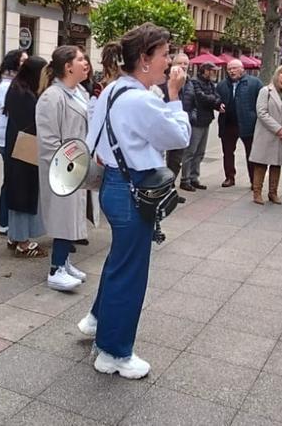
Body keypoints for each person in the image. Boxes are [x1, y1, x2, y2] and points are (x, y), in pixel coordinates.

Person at [78, 23, 189, 380]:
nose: (169, 61)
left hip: (115, 184)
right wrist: (174, 95)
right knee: (131, 271)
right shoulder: (141, 99)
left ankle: (98, 319)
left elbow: (92, 141)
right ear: (144, 59)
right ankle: (113, 353)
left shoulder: (111, 90)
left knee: (120, 260)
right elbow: (179, 135)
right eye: (164, 54)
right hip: (134, 189)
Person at [36, 45, 91, 291]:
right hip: (62, 169)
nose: (86, 62)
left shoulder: (79, 92)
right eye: (80, 59)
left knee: (72, 216)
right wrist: (66, 167)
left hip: (77, 164)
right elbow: (48, 141)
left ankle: (65, 262)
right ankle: (55, 269)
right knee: (62, 217)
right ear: (68, 67)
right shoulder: (52, 96)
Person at [3, 55, 50, 258]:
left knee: (20, 192)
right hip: (24, 149)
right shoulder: (23, 93)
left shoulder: (19, 89)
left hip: (19, 147)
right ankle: (22, 241)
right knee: (23, 193)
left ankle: (16, 235)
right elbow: (32, 122)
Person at [248, 65, 282, 205]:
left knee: (277, 163)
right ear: (277, 75)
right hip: (267, 133)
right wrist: (278, 129)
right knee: (261, 163)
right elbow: (261, 112)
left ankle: (273, 192)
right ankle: (257, 193)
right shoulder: (266, 91)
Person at [0, 49, 27, 235]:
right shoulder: (7, 86)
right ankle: (4, 220)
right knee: (10, 180)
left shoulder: (14, 84)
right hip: (8, 138)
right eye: (23, 61)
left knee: (13, 179)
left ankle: (6, 219)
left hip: (13, 137)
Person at [215, 59, 263, 188]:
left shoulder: (254, 83)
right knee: (228, 152)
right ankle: (229, 177)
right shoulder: (222, 85)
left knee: (251, 153)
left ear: (242, 69)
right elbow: (215, 99)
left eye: (234, 68)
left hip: (248, 123)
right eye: (229, 69)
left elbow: (263, 102)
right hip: (228, 123)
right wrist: (217, 105)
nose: (232, 71)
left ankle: (254, 181)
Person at [179, 63, 221, 191]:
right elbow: (201, 98)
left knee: (200, 152)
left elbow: (217, 97)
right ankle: (184, 179)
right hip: (196, 121)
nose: (214, 73)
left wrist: (213, 100)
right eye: (212, 71)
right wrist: (213, 100)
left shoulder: (209, 84)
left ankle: (194, 178)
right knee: (190, 151)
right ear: (205, 71)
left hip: (206, 120)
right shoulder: (194, 82)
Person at [157, 53, 192, 180]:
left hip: (182, 121)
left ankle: (171, 186)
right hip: (167, 123)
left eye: (185, 64)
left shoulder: (188, 82)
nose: (182, 66)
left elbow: (192, 101)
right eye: (179, 63)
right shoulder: (163, 82)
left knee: (176, 160)